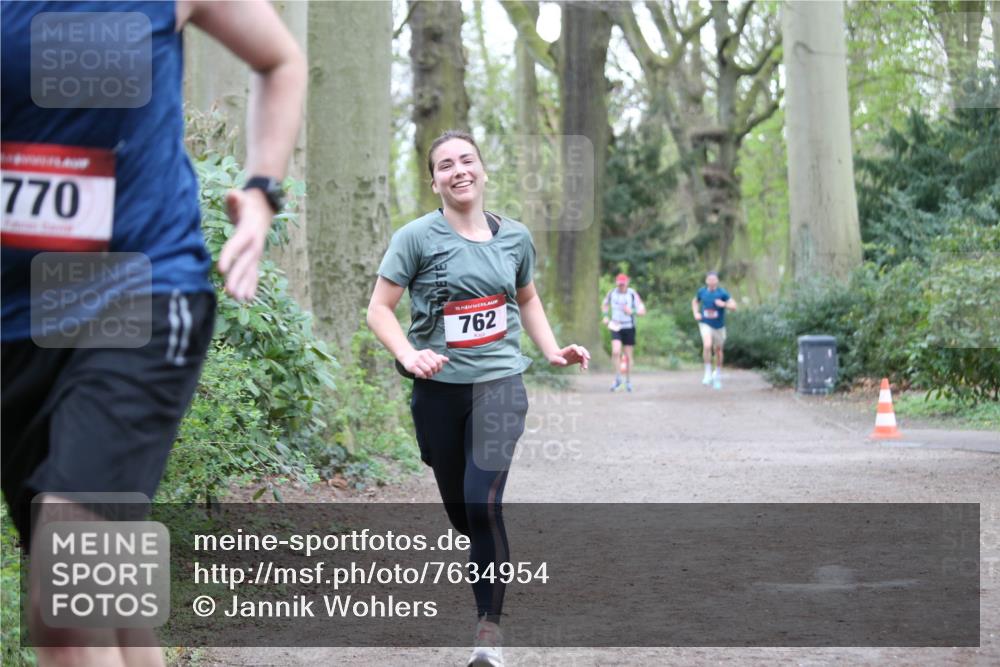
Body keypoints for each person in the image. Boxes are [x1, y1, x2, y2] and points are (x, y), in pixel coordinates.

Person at [1, 2, 306, 665]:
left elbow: (280, 59)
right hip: (17, 326)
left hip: (142, 290)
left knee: (69, 579)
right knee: (105, 594)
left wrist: (261, 191)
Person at [367, 130, 589, 667]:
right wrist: (409, 355)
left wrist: (552, 349)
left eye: (467, 160)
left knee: (482, 503)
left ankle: (488, 633)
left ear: (484, 170)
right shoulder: (415, 238)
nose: (458, 170)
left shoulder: (515, 237)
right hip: (437, 394)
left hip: (500, 385)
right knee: (463, 511)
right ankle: (489, 553)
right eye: (446, 164)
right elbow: (379, 310)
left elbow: (527, 298)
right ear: (434, 179)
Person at [692, 271, 737, 389]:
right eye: (709, 279)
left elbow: (734, 306)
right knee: (707, 345)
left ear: (717, 281)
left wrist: (723, 304)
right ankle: (707, 373)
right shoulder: (702, 292)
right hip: (705, 323)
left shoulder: (722, 293)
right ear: (706, 280)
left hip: (719, 326)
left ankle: (717, 372)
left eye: (714, 279)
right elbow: (695, 301)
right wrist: (696, 313)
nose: (711, 281)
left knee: (718, 350)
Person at [601, 273, 645, 392]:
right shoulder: (612, 293)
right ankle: (618, 378)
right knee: (615, 352)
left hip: (629, 327)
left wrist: (632, 311)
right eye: (619, 284)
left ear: (627, 283)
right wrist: (605, 316)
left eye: (623, 284)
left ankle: (628, 381)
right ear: (616, 283)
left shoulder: (632, 294)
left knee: (628, 356)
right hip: (615, 326)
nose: (621, 287)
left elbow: (642, 311)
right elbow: (604, 305)